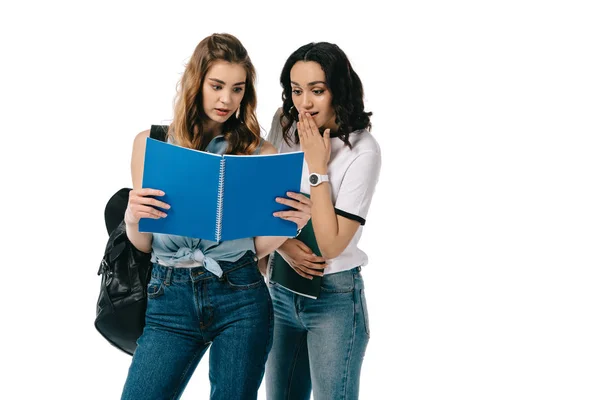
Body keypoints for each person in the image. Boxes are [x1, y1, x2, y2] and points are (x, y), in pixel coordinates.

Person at [120, 33, 311, 400]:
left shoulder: (260, 152)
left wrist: (291, 225)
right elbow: (143, 244)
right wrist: (132, 217)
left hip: (240, 296)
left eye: (237, 89)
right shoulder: (151, 143)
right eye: (217, 85)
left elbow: (253, 250)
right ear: (197, 82)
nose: (227, 99)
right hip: (168, 296)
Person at [264, 42, 381, 400]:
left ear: (338, 90)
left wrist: (317, 169)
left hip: (333, 298)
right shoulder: (284, 125)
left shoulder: (363, 151)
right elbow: (263, 206)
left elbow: (331, 244)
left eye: (317, 91)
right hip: (281, 291)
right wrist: (283, 247)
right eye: (296, 91)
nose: (305, 103)